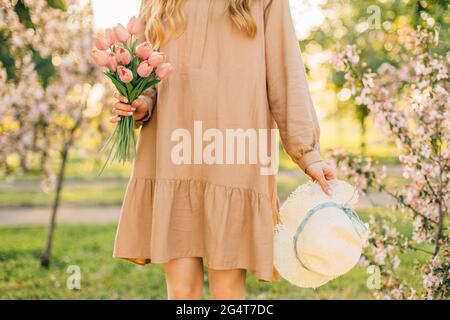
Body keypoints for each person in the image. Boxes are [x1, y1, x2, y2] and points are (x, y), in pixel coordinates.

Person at [111, 0, 336, 300]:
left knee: (227, 294)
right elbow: (147, 72)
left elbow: (285, 71)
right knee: (182, 294)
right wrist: (139, 103)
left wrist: (308, 152)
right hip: (172, 152)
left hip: (235, 153)